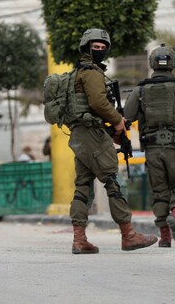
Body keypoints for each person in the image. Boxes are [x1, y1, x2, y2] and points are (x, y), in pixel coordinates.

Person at [64, 28, 158, 254]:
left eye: (102, 47)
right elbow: (98, 103)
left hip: (80, 136)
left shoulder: (77, 72)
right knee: (114, 182)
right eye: (95, 47)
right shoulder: (92, 73)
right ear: (86, 47)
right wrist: (117, 121)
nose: (99, 50)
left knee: (83, 186)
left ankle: (79, 239)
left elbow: (89, 108)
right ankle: (129, 235)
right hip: (92, 135)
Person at [123, 44, 175, 247]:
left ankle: (165, 237)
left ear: (152, 63)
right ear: (173, 63)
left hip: (152, 148)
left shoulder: (140, 89)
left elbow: (127, 115)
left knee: (159, 192)